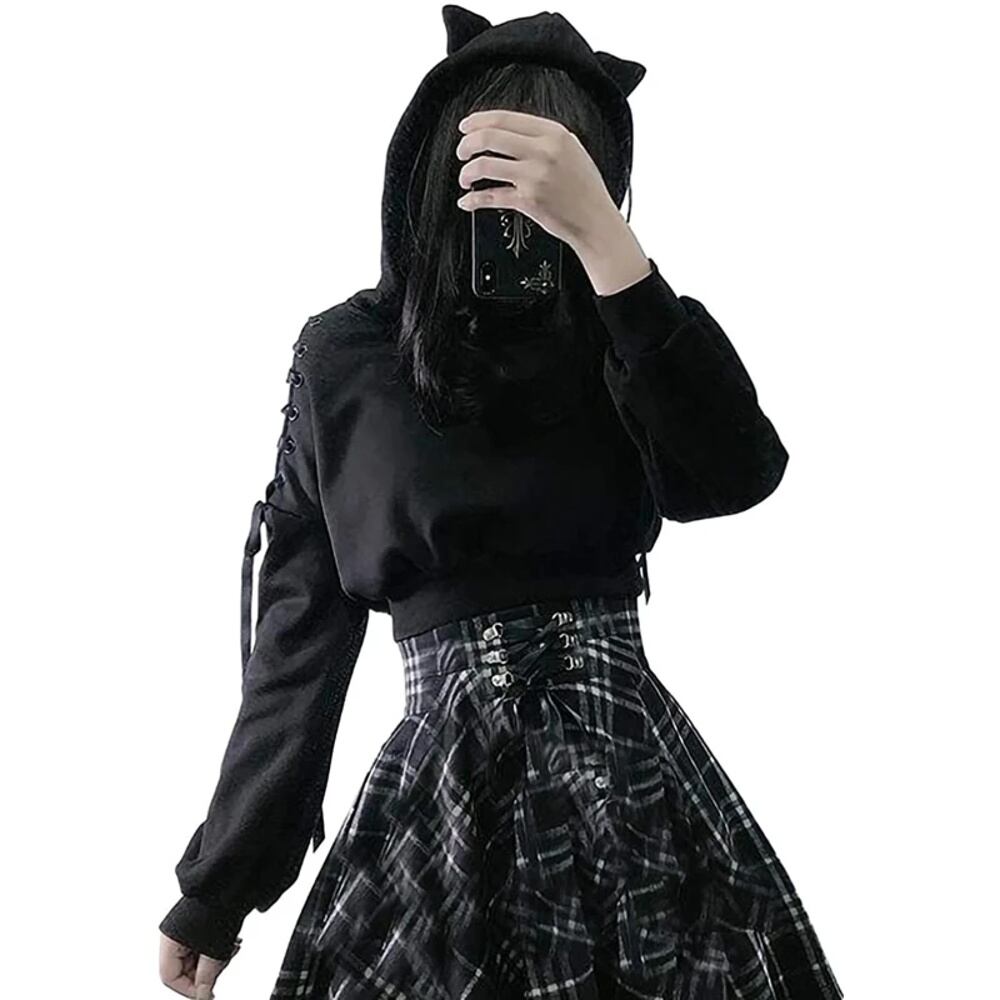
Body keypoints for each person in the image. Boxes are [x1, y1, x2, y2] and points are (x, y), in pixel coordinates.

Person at [159, 6, 844, 999]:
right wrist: (219, 887)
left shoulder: (627, 330)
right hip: (440, 803)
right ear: (436, 161)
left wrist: (611, 249)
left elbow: (736, 475)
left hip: (629, 787)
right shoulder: (347, 357)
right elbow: (299, 644)